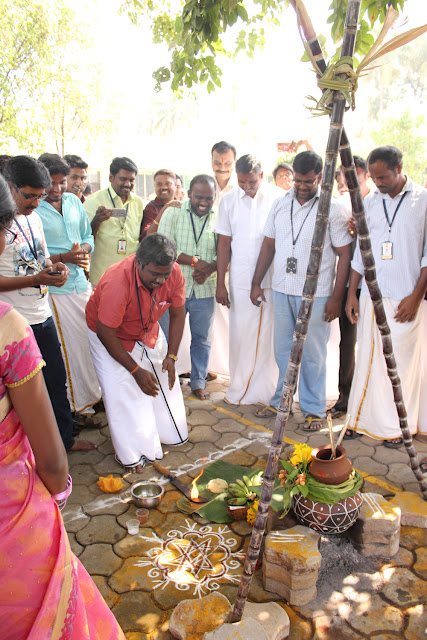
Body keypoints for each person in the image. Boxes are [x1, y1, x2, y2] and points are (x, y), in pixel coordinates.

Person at [0, 173, 125, 639]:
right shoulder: (6, 331)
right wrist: (56, 493)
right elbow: (51, 463)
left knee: (56, 390)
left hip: (42, 311)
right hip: (13, 517)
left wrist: (52, 267)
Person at [250, 150, 353, 428]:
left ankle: (313, 410)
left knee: (312, 354)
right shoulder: (281, 204)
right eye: (298, 180)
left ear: (320, 177)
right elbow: (269, 245)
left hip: (318, 295)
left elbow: (345, 253)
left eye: (308, 181)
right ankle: (281, 401)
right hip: (282, 289)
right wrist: (256, 282)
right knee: (282, 350)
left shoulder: (333, 208)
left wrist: (336, 296)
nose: (302, 186)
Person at [1, 156, 93, 452]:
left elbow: (38, 261)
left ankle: (63, 442)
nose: (36, 203)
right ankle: (28, 453)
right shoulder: (2, 224)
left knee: (56, 382)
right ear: (9, 186)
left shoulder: (35, 217)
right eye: (30, 196)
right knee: (24, 394)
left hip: (43, 314)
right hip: (15, 323)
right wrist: (34, 279)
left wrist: (58, 266)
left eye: (40, 196)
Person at [345, 146, 427, 448]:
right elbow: (359, 253)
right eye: (375, 177)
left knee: (401, 365)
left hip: (408, 297)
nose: (378, 182)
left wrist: (416, 297)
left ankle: (397, 426)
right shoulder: (368, 202)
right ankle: (357, 420)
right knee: (368, 357)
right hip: (371, 294)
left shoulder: (423, 200)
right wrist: (352, 294)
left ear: (400, 168)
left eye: (384, 177)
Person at [86, 234, 188, 473]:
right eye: (155, 274)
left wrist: (172, 356)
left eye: (166, 273)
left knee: (161, 381)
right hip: (110, 336)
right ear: (139, 263)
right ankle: (133, 454)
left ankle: (163, 433)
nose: (161, 280)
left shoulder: (173, 273)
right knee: (123, 391)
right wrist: (135, 370)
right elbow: (105, 333)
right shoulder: (117, 282)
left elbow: (177, 314)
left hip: (146, 329)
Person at [37, 153, 100, 417]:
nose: (57, 189)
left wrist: (83, 250)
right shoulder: (33, 208)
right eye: (51, 182)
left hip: (80, 282)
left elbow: (87, 235)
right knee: (67, 350)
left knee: (89, 342)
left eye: (62, 182)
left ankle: (92, 397)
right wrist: (63, 258)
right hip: (56, 289)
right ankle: (74, 407)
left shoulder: (74, 201)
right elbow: (31, 258)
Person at [216, 155, 282, 405]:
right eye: (242, 182)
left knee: (269, 336)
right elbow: (223, 243)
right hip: (241, 281)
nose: (246, 187)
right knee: (241, 335)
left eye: (251, 182)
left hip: (273, 280)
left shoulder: (279, 198)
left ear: (262, 176)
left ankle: (267, 391)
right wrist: (221, 282)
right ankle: (241, 387)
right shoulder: (229, 200)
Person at [158, 175, 217, 400]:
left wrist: (209, 269)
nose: (203, 202)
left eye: (209, 198)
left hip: (205, 289)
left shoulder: (219, 217)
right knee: (165, 337)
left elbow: (225, 253)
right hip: (173, 288)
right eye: (199, 197)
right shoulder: (173, 212)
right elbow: (164, 247)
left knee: (202, 339)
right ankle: (163, 380)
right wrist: (194, 262)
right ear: (189, 194)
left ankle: (198, 382)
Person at [328, 155, 370, 419]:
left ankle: (373, 401)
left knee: (374, 342)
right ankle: (346, 398)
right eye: (340, 181)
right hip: (349, 286)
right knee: (348, 341)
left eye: (352, 179)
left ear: (366, 177)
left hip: (380, 286)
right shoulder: (340, 208)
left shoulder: (378, 204)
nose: (345, 185)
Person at [84, 156, 143, 285]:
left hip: (131, 276)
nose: (128, 184)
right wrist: (97, 220)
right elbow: (85, 238)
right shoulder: (94, 201)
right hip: (103, 276)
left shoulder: (138, 202)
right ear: (111, 178)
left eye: (131, 180)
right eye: (123, 179)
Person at [140, 169, 177, 239]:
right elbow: (147, 236)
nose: (163, 187)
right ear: (154, 186)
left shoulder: (182, 207)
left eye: (167, 183)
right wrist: (164, 209)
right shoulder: (151, 208)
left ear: (175, 185)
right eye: (159, 184)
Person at [211, 140, 237, 206]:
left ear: (235, 162)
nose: (222, 168)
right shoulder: (204, 187)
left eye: (227, 163)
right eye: (217, 163)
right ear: (211, 161)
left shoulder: (242, 188)